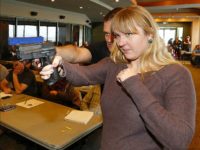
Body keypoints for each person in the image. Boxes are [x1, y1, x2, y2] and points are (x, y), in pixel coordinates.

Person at [40, 5, 196, 150]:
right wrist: (60, 67)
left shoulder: (176, 74)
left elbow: (179, 140)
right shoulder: (114, 63)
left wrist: (134, 85)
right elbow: (82, 75)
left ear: (150, 34)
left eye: (129, 34)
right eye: (118, 36)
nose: (120, 43)